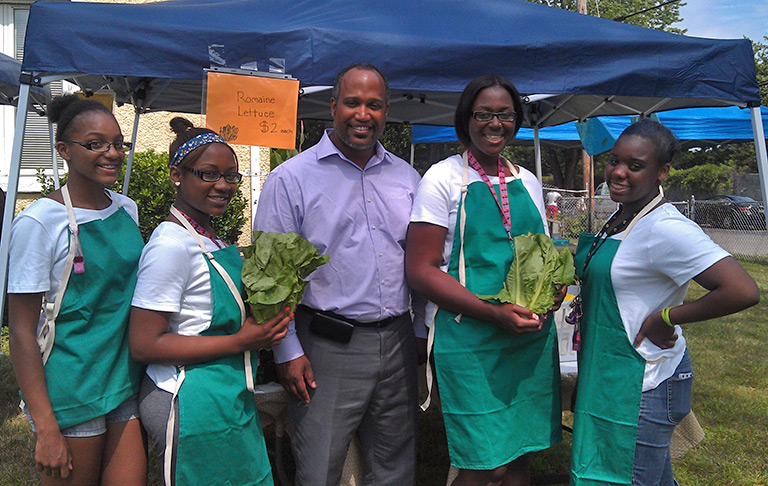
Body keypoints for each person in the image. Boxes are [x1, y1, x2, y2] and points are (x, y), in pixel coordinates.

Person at [253, 62, 425, 486]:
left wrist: (421, 333)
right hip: (325, 347)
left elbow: (424, 263)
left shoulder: (407, 177)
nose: (362, 114)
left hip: (399, 341)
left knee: (395, 468)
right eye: (352, 102)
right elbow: (268, 277)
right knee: (318, 468)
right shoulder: (290, 179)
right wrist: (286, 352)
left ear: (386, 111)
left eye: (374, 105)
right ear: (333, 107)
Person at [570, 119, 759, 486]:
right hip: (609, 374)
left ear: (662, 172)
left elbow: (742, 290)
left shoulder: (666, 228)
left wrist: (668, 316)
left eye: (635, 166)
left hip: (645, 381)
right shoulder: (621, 215)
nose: (618, 172)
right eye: (613, 161)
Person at [405, 74, 563, 486]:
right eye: (485, 114)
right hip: (469, 338)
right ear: (466, 119)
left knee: (519, 452)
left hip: (526, 338)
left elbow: (541, 255)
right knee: (483, 463)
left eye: (505, 115)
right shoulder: (441, 179)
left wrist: (553, 293)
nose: (496, 124)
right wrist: (493, 315)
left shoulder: (525, 179)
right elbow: (420, 269)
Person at [129, 117, 289, 486]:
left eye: (232, 176)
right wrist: (242, 340)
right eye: (208, 174)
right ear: (176, 175)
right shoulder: (170, 245)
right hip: (189, 397)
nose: (223, 185)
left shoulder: (209, 238)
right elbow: (144, 343)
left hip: (226, 390)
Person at [8, 94, 146, 485]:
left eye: (118, 143)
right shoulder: (39, 222)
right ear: (64, 150)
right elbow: (20, 332)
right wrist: (46, 427)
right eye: (95, 143)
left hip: (123, 381)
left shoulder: (126, 208)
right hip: (73, 390)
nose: (112, 152)